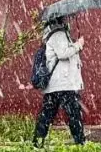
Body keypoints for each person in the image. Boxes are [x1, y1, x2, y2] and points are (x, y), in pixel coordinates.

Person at [32, 16, 86, 146]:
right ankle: (80, 142)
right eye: (65, 20)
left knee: (47, 114)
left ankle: (37, 142)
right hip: (63, 84)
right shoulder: (58, 34)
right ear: (61, 21)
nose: (68, 22)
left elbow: (65, 53)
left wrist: (75, 46)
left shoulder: (57, 34)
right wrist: (78, 45)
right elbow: (63, 54)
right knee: (74, 114)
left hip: (57, 85)